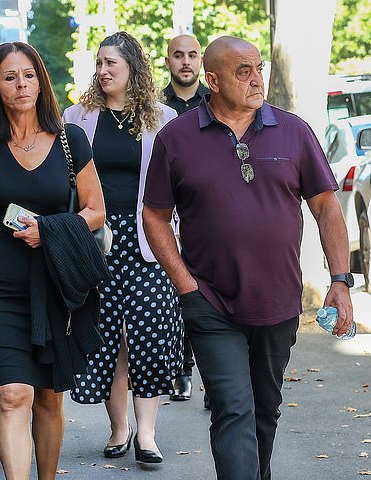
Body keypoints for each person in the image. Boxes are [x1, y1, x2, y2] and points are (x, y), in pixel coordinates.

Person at [142, 36, 353, 480]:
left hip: (277, 301)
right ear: (212, 79)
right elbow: (155, 215)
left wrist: (340, 279)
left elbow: (326, 206)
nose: (257, 79)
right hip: (209, 301)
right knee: (232, 408)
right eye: (243, 71)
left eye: (259, 68)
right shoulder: (176, 138)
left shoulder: (293, 131)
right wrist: (184, 282)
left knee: (264, 410)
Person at [0, 41, 108, 480]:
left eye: (29, 75)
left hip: (53, 283)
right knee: (12, 394)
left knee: (50, 398)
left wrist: (51, 230)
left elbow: (96, 210)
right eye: (10, 77)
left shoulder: (70, 139)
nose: (22, 85)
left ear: (41, 80)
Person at [63, 31, 182, 464]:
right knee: (107, 334)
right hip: (96, 239)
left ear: (132, 66)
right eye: (99, 63)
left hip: (149, 238)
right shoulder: (77, 117)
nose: (102, 70)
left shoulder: (163, 118)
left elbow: (179, 184)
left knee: (147, 332)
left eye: (111, 63)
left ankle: (147, 435)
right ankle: (119, 428)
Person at [162, 33, 210, 403]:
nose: (186, 62)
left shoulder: (215, 102)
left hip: (203, 208)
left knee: (205, 287)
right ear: (168, 61)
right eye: (179, 55)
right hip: (163, 208)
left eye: (192, 55)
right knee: (177, 290)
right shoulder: (154, 105)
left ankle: (209, 374)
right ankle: (180, 367)